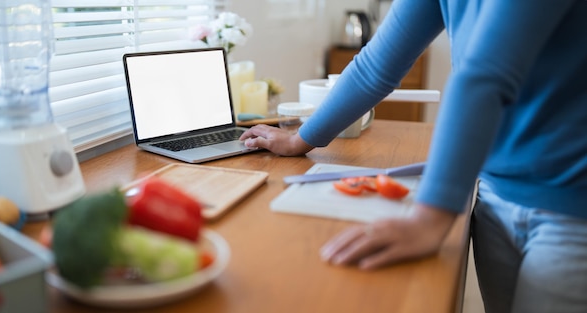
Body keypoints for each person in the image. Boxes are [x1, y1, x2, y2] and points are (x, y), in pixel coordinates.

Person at [239, 1, 587, 312]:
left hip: (573, 205)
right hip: (496, 191)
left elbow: (483, 77)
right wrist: (302, 138)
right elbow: (376, 65)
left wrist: (429, 218)